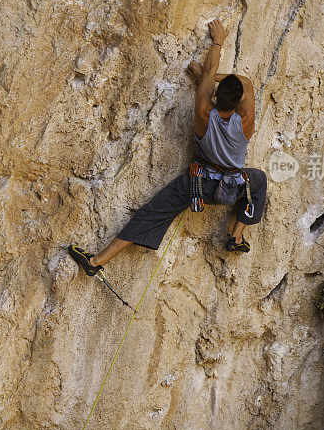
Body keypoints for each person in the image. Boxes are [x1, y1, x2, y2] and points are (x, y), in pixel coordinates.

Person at [69, 19, 267, 277]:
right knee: (259, 180)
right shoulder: (247, 122)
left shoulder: (204, 113)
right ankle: (236, 237)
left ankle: (96, 261)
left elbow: (207, 73)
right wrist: (213, 77)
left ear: (215, 96)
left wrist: (215, 47)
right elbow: (246, 82)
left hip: (200, 186)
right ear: (241, 102)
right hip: (233, 186)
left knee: (152, 213)